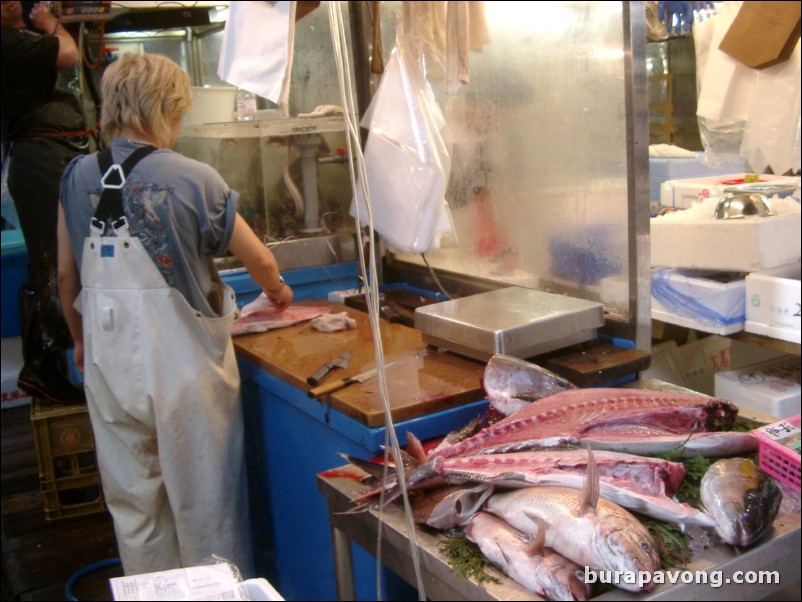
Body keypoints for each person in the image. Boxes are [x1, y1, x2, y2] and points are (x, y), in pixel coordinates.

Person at [57, 52, 293, 577]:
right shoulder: (194, 177)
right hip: (183, 373)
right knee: (205, 507)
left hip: (107, 366)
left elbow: (66, 279)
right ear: (165, 108)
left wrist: (79, 340)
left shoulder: (75, 176)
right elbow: (262, 260)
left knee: (135, 505)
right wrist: (277, 291)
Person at [1, 0, 89, 404]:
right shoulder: (9, 40)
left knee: (52, 263)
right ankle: (43, 367)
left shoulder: (27, 31)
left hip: (56, 152)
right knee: (53, 264)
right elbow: (67, 52)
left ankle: (48, 364)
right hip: (39, 157)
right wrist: (51, 22)